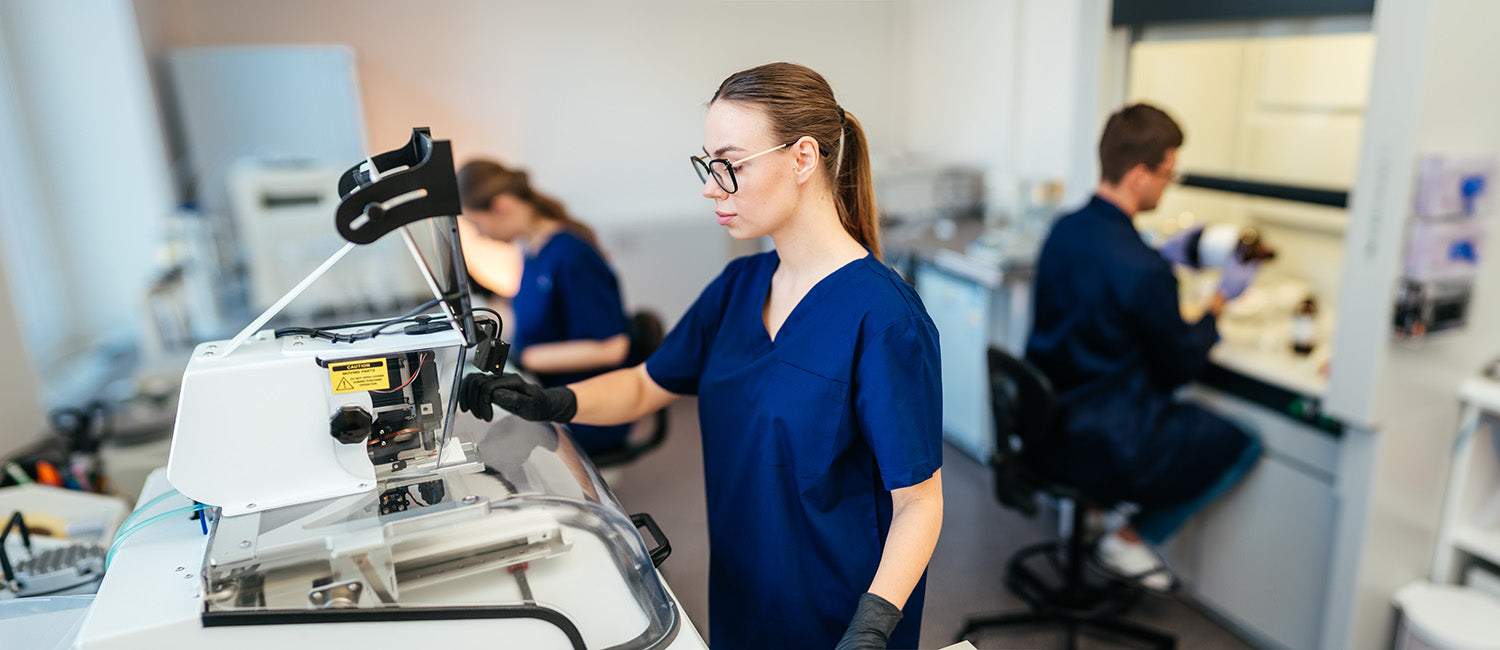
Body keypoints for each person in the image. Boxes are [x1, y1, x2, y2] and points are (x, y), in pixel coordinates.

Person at [458, 62, 944, 650]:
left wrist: (871, 626)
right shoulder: (739, 288)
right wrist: (552, 401)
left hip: (839, 613)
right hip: (744, 592)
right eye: (708, 165)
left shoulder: (884, 317)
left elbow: (918, 502)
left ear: (803, 158)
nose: (712, 187)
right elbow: (644, 385)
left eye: (731, 165)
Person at [1024, 103, 1264, 592]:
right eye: (1167, 174)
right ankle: (1129, 539)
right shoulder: (1144, 269)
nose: (1167, 185)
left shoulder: (1065, 229)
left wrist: (1158, 257)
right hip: (1106, 443)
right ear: (1139, 175)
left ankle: (1095, 514)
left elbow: (1099, 304)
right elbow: (1179, 368)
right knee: (1241, 441)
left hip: (1046, 425)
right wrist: (1220, 301)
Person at [457, 160, 633, 456]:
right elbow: (538, 310)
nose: (479, 235)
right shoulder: (529, 249)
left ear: (502, 206)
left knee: (489, 447)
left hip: (584, 406)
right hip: (545, 390)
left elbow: (613, 348)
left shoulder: (571, 255)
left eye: (477, 224)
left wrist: (526, 357)